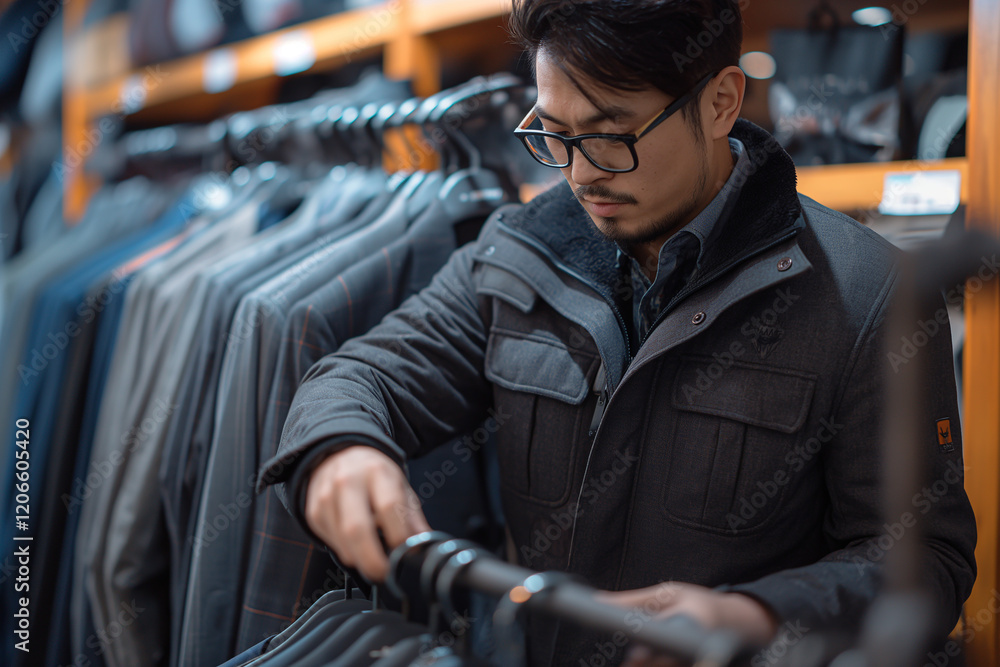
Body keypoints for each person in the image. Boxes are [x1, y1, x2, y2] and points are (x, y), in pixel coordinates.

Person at [259, 1, 977, 664]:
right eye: (554, 133)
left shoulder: (868, 293)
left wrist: (756, 615)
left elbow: (926, 560)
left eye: (609, 135)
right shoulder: (516, 252)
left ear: (721, 101)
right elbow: (364, 374)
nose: (579, 174)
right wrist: (341, 445)